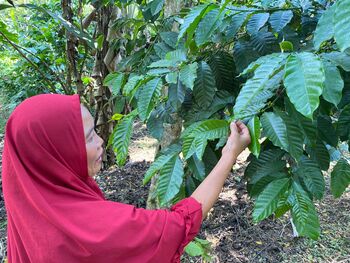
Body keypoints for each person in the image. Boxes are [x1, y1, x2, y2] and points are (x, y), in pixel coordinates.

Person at [1, 93, 250, 263]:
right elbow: (178, 225)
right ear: (55, 153)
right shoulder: (96, 230)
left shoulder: (30, 212)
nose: (100, 142)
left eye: (95, 132)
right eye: (87, 138)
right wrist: (229, 154)